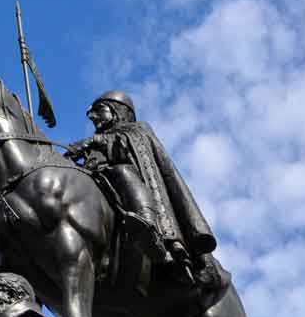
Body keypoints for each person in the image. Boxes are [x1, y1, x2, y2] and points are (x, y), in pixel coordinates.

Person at [66, 90, 220, 288]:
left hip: (129, 180)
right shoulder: (98, 141)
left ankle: (150, 229)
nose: (94, 117)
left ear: (117, 111)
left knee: (122, 172)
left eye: (99, 110)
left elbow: (126, 149)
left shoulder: (137, 129)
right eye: (91, 114)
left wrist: (95, 141)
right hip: (103, 181)